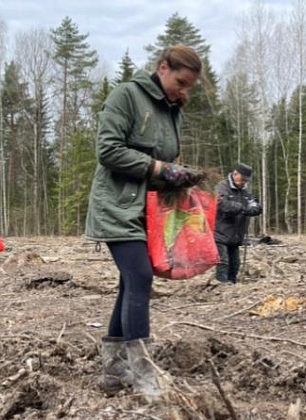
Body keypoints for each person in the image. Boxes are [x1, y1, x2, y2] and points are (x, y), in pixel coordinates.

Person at [85, 45, 206, 401]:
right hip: (117, 206)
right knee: (139, 276)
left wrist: (179, 177)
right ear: (163, 67)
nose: (183, 92)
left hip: (149, 211)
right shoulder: (126, 96)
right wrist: (159, 168)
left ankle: (113, 369)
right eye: (180, 82)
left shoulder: (173, 112)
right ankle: (142, 372)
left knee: (129, 281)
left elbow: (165, 160)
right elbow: (107, 150)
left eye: (189, 88)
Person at [214, 163, 262, 284]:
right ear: (235, 174)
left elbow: (255, 204)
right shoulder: (222, 187)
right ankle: (221, 287)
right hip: (221, 233)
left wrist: (254, 208)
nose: (244, 182)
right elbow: (223, 204)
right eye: (242, 179)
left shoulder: (245, 191)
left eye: (246, 181)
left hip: (236, 236)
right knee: (223, 262)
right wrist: (243, 208)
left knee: (235, 264)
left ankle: (232, 286)